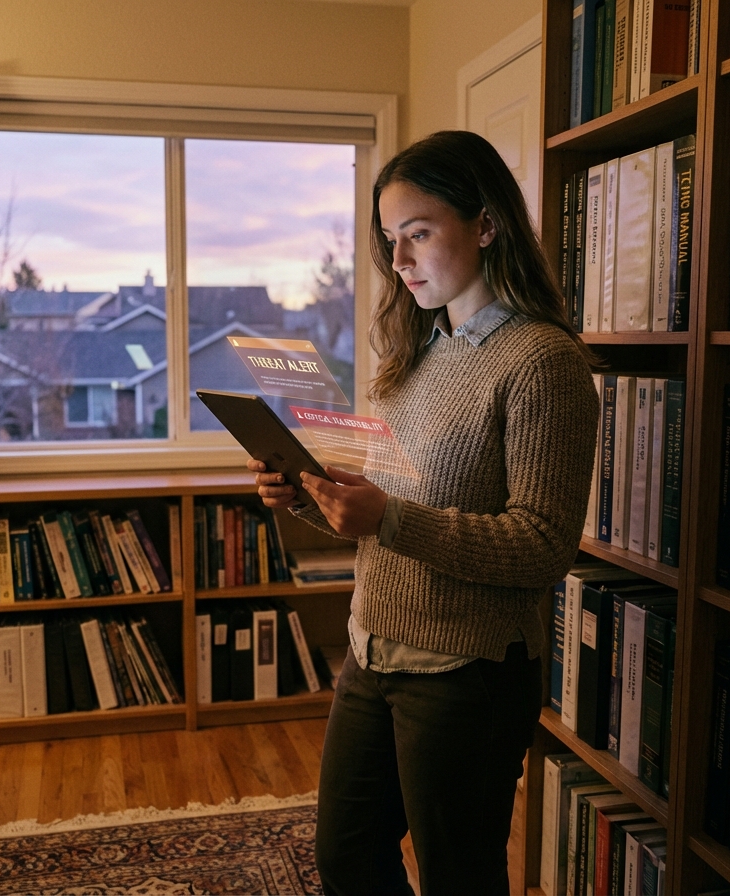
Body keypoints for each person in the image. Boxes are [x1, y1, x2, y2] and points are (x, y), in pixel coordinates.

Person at [249, 130, 599, 895]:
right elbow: (389, 510)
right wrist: (311, 495)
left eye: (418, 233)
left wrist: (386, 520)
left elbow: (542, 548)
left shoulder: (544, 363)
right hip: (373, 650)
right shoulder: (414, 353)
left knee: (459, 878)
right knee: (347, 859)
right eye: (389, 240)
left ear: (486, 223)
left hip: (466, 672)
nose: (399, 261)